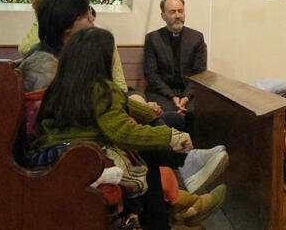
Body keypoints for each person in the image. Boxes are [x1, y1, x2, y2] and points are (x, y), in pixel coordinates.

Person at [34, 27, 226, 229]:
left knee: (169, 121)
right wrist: (171, 137)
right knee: (149, 153)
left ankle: (185, 173)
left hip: (63, 154)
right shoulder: (100, 88)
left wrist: (148, 111)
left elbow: (121, 106)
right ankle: (187, 166)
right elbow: (122, 132)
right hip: (82, 158)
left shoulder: (65, 84)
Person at [19, 0, 128, 91]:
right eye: (86, 16)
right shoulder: (44, 62)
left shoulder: (96, 39)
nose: (92, 20)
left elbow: (116, 86)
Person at [143, 0, 206, 118]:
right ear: (163, 16)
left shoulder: (196, 38)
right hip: (162, 92)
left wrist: (186, 97)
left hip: (190, 92)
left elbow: (199, 73)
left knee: (197, 112)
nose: (178, 16)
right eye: (172, 12)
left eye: (180, 11)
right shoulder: (153, 39)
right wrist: (172, 97)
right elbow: (151, 74)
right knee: (168, 113)